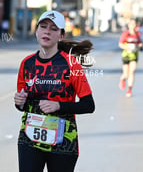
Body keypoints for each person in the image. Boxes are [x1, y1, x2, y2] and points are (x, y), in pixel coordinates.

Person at [14, 10, 95, 172]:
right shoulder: (27, 63)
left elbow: (88, 105)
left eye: (53, 28)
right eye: (43, 27)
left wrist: (59, 106)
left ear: (61, 35)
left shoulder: (71, 64)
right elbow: (22, 106)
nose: (47, 31)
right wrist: (19, 102)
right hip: (30, 138)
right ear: (36, 31)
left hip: (63, 141)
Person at [118, 19, 143, 97]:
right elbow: (120, 44)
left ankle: (129, 90)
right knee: (126, 74)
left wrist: (140, 45)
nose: (133, 25)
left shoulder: (137, 34)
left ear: (136, 25)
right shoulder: (126, 34)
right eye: (131, 24)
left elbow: (140, 43)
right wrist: (127, 47)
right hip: (126, 55)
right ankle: (122, 79)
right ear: (129, 25)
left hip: (134, 55)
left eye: (134, 24)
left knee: (132, 71)